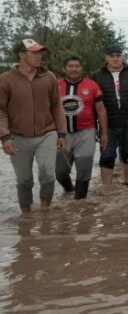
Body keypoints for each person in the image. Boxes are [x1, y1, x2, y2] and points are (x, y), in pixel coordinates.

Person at [0, 39, 66, 213]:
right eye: (35, 52)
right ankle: (26, 217)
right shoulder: (5, 80)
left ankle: (45, 211)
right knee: (24, 179)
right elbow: (1, 112)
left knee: (47, 175)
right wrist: (5, 137)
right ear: (22, 54)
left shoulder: (49, 77)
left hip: (47, 133)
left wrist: (61, 133)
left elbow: (56, 106)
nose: (40, 56)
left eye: (40, 52)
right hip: (18, 136)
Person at [56, 56, 109, 199]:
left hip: (86, 132)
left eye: (77, 66)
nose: (74, 69)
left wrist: (104, 133)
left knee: (84, 169)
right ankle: (69, 190)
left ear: (81, 69)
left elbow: (101, 110)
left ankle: (80, 203)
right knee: (60, 171)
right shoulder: (55, 85)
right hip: (62, 134)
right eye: (70, 66)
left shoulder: (92, 85)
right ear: (64, 69)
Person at [91, 44, 128, 186]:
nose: (115, 59)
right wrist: (94, 127)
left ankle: (127, 185)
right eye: (112, 56)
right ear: (106, 58)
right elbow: (93, 103)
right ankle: (107, 189)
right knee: (106, 156)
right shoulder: (97, 76)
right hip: (108, 124)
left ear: (122, 57)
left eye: (118, 56)